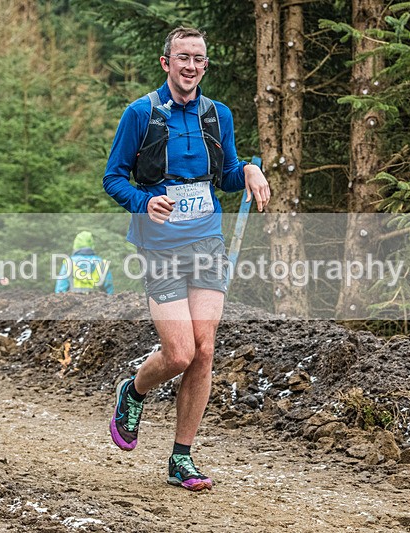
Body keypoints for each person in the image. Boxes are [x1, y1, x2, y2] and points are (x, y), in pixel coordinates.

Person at [103, 27, 271, 491]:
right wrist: (142, 202)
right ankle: (133, 391)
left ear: (205, 65)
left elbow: (228, 174)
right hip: (159, 246)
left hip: (206, 242)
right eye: (182, 57)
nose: (190, 66)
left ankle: (182, 458)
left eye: (198, 58)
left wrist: (251, 170)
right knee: (179, 352)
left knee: (205, 350)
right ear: (166, 63)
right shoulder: (141, 113)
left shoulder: (218, 115)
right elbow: (113, 178)